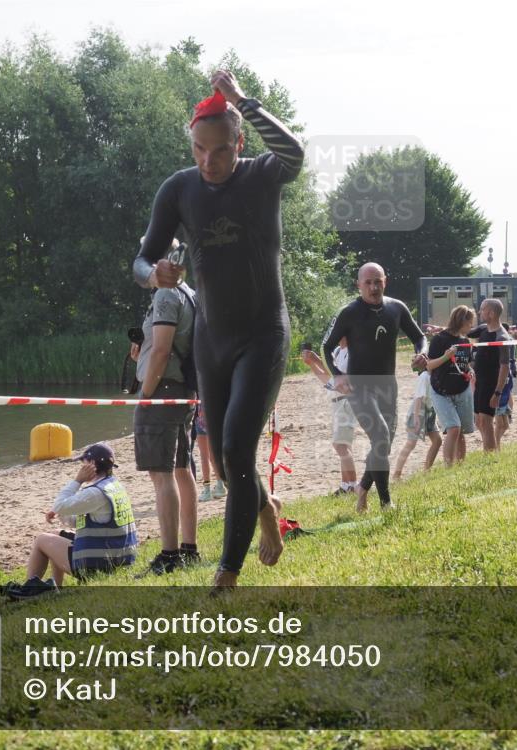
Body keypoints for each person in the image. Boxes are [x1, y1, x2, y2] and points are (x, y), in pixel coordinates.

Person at [134, 70, 304, 590]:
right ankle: (266, 510)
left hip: (263, 334)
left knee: (234, 446)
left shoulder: (261, 175)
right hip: (212, 339)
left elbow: (295, 153)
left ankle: (227, 573)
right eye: (199, 149)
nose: (209, 161)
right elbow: (140, 261)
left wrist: (242, 100)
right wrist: (154, 275)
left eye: (221, 150)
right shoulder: (179, 189)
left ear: (239, 143)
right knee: (229, 466)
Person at [322, 263, 428, 512]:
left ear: (385, 281)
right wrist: (337, 375)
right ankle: (386, 503)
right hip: (359, 386)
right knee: (380, 436)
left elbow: (419, 337)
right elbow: (325, 346)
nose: (373, 287)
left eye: (377, 281)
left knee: (384, 445)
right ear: (358, 285)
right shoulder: (349, 312)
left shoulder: (396, 308)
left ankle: (362, 487)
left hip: (388, 385)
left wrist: (422, 353)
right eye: (368, 283)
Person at [133, 269, 200, 573]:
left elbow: (162, 351)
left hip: (162, 391)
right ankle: (188, 549)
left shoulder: (165, 293)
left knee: (161, 474)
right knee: (182, 469)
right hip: (184, 389)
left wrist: (146, 392)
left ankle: (170, 556)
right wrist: (143, 354)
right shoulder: (189, 293)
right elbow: (165, 346)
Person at [9, 443, 137, 598]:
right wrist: (61, 514)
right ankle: (56, 587)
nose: (81, 467)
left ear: (91, 464)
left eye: (83, 463)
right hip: (120, 557)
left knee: (41, 540)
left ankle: (29, 589)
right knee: (55, 534)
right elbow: (87, 520)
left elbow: (59, 505)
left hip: (100, 565)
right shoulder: (113, 486)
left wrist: (78, 480)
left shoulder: (95, 492)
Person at [302, 340, 358, 495]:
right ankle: (346, 485)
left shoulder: (353, 352)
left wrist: (317, 360)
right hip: (337, 402)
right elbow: (329, 380)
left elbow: (341, 378)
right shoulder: (338, 351)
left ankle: (353, 486)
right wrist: (312, 364)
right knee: (344, 446)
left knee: (340, 445)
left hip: (346, 401)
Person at [427, 305, 477, 467]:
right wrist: (445, 356)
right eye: (470, 322)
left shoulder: (465, 341)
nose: (471, 326)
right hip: (441, 391)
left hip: (462, 390)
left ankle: (459, 467)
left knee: (461, 432)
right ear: (461, 321)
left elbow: (466, 364)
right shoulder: (439, 339)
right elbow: (429, 366)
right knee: (454, 428)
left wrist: (470, 371)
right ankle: (449, 467)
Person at [468, 298, 514, 452]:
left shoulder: (502, 337)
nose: (479, 312)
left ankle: (491, 458)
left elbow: (505, 367)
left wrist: (497, 393)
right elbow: (464, 331)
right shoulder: (483, 328)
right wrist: (440, 329)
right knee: (479, 422)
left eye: (482, 309)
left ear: (491, 313)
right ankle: (488, 453)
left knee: (486, 422)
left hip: (491, 385)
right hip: (479, 382)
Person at [392, 366, 442, 478]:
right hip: (418, 412)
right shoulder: (424, 376)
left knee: (437, 441)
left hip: (430, 412)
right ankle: (396, 474)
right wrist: (416, 417)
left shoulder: (436, 376)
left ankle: (426, 471)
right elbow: (419, 397)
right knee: (411, 443)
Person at [192, 405, 225, 502]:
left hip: (201, 417)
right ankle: (220, 485)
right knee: (212, 455)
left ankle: (207, 490)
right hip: (212, 416)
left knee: (204, 457)